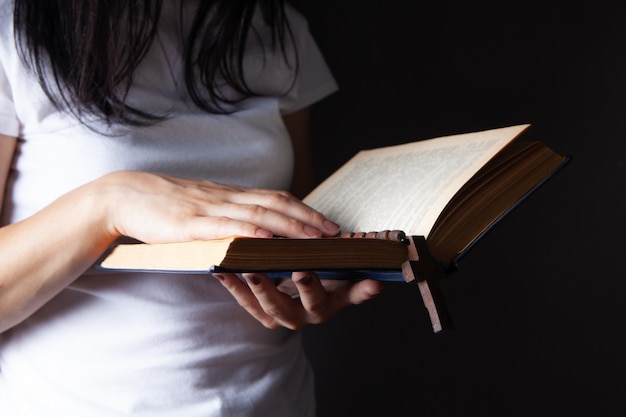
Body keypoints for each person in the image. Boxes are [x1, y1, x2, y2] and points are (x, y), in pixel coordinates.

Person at [0, 0, 383, 415]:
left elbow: (297, 228)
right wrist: (109, 202)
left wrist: (305, 287)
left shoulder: (275, 26)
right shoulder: (12, 26)